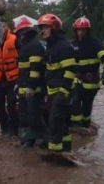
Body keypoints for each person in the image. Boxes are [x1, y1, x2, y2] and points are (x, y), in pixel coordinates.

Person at [38, 13, 77, 153]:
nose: (42, 31)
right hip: (53, 91)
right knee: (58, 121)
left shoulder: (64, 47)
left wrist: (63, 92)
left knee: (54, 123)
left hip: (62, 92)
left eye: (45, 27)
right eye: (41, 28)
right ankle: (66, 147)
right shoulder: (50, 46)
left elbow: (71, 70)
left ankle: (54, 154)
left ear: (54, 28)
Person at [70, 17, 104, 128]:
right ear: (75, 31)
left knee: (87, 106)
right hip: (76, 79)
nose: (81, 32)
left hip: (91, 81)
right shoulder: (73, 44)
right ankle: (76, 126)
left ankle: (86, 126)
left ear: (88, 31)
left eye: (83, 30)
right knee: (75, 101)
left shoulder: (95, 44)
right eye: (79, 30)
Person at [14, 17, 45, 148]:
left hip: (33, 90)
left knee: (33, 116)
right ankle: (28, 139)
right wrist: (18, 83)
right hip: (24, 88)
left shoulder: (34, 46)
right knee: (24, 115)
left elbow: (35, 69)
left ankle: (39, 140)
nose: (19, 37)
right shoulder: (26, 46)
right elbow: (23, 70)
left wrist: (31, 87)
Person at [0, 20, 20, 135]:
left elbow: (23, 54)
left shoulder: (14, 40)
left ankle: (14, 128)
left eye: (2, 26)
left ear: (6, 27)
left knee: (12, 103)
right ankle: (4, 127)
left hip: (12, 78)